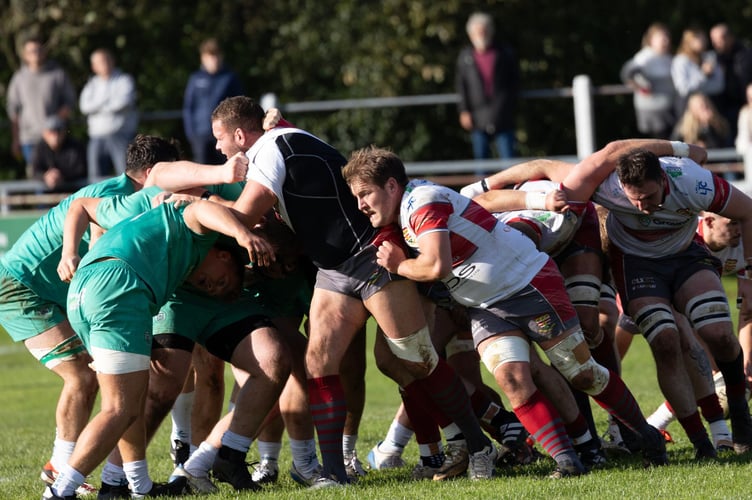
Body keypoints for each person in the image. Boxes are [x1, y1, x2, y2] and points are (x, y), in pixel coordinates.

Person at [342, 145, 670, 477]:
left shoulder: (421, 202)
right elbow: (482, 204)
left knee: (582, 373)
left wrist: (400, 265)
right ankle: (567, 461)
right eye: (356, 197)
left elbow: (437, 265)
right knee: (513, 379)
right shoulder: (406, 209)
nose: (361, 205)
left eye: (365, 194)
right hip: (486, 306)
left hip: (528, 285)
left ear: (392, 186)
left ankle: (648, 437)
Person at [220, 96, 496, 484]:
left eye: (220, 140)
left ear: (238, 135)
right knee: (319, 362)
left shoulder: (270, 146)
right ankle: (332, 474)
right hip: (333, 268)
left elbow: (245, 212)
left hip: (371, 257)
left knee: (415, 360)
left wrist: (197, 209)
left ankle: (478, 445)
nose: (219, 150)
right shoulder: (282, 140)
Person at [42, 195, 259, 500]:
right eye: (217, 281)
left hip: (84, 290)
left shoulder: (142, 216)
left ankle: (133, 485)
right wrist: (242, 233)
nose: (209, 286)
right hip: (120, 287)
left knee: (131, 401)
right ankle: (59, 492)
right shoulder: (187, 217)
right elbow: (201, 209)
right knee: (118, 408)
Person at [0, 135, 179, 499]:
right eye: (173, 173)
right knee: (82, 375)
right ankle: (59, 469)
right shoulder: (117, 194)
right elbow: (96, 232)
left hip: (54, 291)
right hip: (21, 286)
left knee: (123, 380)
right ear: (150, 174)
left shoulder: (127, 192)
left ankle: (130, 479)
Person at [561, 139, 752, 456]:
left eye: (649, 196)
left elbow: (748, 210)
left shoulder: (693, 181)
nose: (641, 206)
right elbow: (550, 167)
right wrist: (489, 190)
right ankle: (702, 443)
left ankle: (742, 422)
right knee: (664, 341)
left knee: (717, 333)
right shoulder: (604, 182)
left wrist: (748, 277)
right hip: (636, 265)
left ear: (664, 180)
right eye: (633, 199)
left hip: (685, 256)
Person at [455, 12, 519, 162]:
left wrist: (508, 106)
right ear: (470, 34)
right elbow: (461, 85)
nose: (481, 35)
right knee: (481, 165)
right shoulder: (465, 57)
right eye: (477, 32)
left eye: (484, 31)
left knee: (510, 165)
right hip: (477, 118)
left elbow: (514, 82)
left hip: (503, 117)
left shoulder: (504, 53)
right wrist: (464, 110)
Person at [6, 35, 77, 168]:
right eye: (32, 51)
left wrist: (55, 123)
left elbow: (70, 102)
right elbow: (13, 110)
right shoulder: (19, 78)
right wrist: (15, 139)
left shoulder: (57, 74)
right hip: (29, 138)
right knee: (37, 178)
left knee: (58, 179)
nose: (36, 54)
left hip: (55, 138)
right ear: (25, 55)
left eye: (39, 50)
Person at [79, 48, 139, 181]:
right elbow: (84, 106)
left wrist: (97, 107)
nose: (103, 64)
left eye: (105, 60)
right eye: (99, 62)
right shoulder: (91, 85)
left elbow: (122, 103)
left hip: (120, 135)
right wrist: (107, 103)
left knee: (125, 175)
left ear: (112, 61)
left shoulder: (124, 80)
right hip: (96, 137)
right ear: (93, 67)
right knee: (95, 178)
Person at [183, 38, 244, 165]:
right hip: (201, 134)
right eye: (210, 56)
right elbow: (189, 107)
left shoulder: (230, 78)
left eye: (216, 55)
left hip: (225, 133)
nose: (214, 60)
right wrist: (191, 134)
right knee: (203, 172)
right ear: (203, 58)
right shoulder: (195, 78)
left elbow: (239, 106)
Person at [620, 22, 676, 139]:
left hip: (668, 110)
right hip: (652, 110)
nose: (665, 40)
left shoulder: (668, 58)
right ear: (651, 40)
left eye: (666, 36)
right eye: (661, 36)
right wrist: (641, 86)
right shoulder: (645, 57)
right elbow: (627, 73)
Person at [709, 23, 752, 142]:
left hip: (745, 105)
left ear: (730, 37)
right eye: (714, 39)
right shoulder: (714, 59)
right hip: (724, 108)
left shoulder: (747, 55)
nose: (717, 43)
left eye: (721, 38)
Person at [671, 27, 724, 118]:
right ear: (688, 42)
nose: (702, 41)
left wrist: (700, 86)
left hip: (712, 105)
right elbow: (683, 89)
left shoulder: (710, 57)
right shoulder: (680, 61)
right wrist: (703, 75)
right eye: (698, 38)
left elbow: (719, 86)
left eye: (703, 38)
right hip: (687, 107)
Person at [30, 116, 87, 192]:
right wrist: (46, 176)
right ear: (44, 134)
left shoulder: (75, 146)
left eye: (58, 131)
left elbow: (80, 170)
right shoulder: (40, 148)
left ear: (64, 132)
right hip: (46, 193)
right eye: (51, 132)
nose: (55, 136)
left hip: (72, 193)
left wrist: (62, 176)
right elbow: (35, 171)